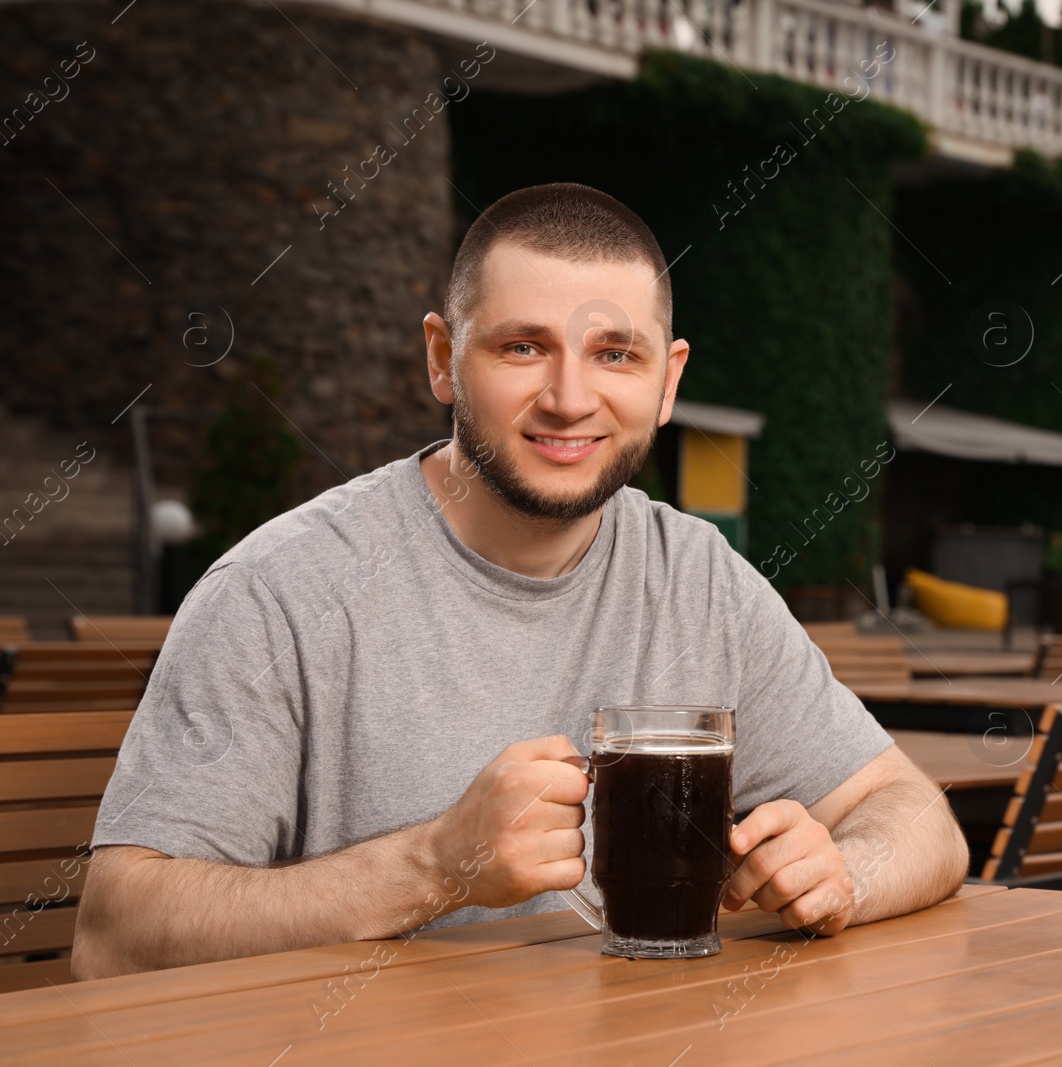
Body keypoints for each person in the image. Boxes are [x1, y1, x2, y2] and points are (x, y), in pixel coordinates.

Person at [73, 183, 968, 978]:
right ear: (441, 359)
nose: (571, 398)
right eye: (523, 347)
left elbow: (915, 815)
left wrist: (842, 873)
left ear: (669, 380)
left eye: (616, 353)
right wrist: (433, 864)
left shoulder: (698, 577)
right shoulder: (282, 590)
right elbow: (116, 932)